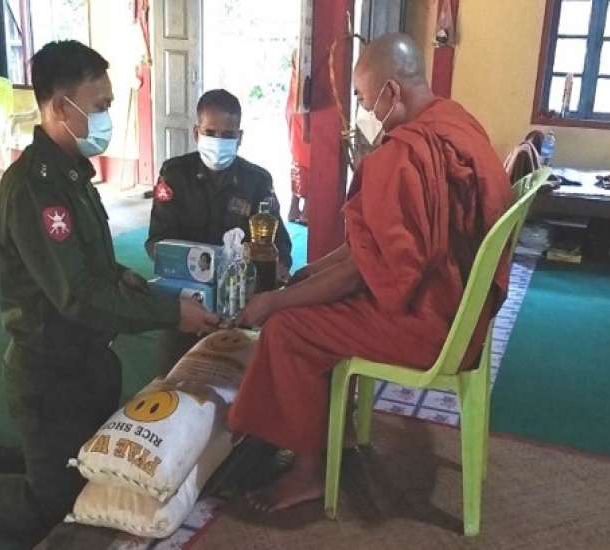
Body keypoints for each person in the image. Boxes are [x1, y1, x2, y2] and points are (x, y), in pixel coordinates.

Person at [0, 41, 218, 543]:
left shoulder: (72, 176)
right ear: (59, 107)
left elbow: (92, 266)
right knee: (55, 507)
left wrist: (138, 284)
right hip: (49, 373)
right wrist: (169, 314)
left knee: (91, 466)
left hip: (87, 361)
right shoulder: (36, 187)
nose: (107, 116)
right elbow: (78, 295)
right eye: (100, 105)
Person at [228, 33, 512, 512]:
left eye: (362, 99)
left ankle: (307, 473)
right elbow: (374, 247)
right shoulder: (455, 120)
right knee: (312, 294)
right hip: (465, 309)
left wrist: (275, 301)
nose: (362, 111)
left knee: (288, 329)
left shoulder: (401, 157)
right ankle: (328, 431)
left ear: (391, 92)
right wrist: (313, 271)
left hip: (432, 326)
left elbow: (366, 274)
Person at [146, 89, 293, 371]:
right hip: (188, 300)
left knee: (241, 378)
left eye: (228, 135)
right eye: (210, 132)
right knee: (172, 378)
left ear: (240, 137)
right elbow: (157, 243)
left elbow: (280, 247)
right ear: (196, 133)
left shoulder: (257, 181)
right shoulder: (175, 174)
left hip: (240, 303)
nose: (219, 141)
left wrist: (269, 275)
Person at [286, 49, 310, 224]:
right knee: (308, 163)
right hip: (302, 116)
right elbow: (304, 98)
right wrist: (307, 126)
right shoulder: (305, 55)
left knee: (298, 161)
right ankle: (306, 210)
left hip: (295, 113)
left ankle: (294, 208)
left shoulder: (300, 50)